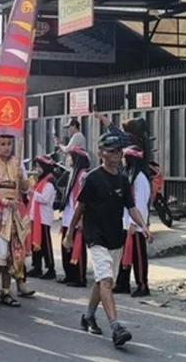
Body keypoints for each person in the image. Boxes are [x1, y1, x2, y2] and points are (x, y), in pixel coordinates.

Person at [64, 133, 151, 347]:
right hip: (95, 237)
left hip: (116, 238)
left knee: (103, 280)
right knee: (106, 281)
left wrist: (143, 226)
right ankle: (116, 327)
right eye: (111, 151)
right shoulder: (92, 178)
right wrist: (69, 234)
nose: (116, 156)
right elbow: (79, 207)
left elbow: (131, 207)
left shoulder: (122, 179)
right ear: (101, 153)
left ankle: (89, 316)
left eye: (119, 152)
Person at [0, 134, 33, 305]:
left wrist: (22, 179)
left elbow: (26, 190)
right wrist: (3, 201)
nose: (6, 147)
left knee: (13, 256)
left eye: (9, 144)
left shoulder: (18, 164)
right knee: (0, 255)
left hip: (15, 215)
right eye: (2, 144)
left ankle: (5, 291)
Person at [114, 146, 152, 297]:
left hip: (136, 226)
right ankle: (122, 283)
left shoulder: (140, 178)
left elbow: (140, 204)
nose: (122, 160)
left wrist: (133, 223)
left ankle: (143, 285)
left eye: (125, 157)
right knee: (124, 255)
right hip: (126, 222)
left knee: (138, 257)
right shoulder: (130, 176)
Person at [59, 146, 91, 287]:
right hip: (68, 215)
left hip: (77, 217)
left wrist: (82, 219)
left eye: (71, 157)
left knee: (78, 248)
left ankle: (80, 277)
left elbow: (84, 200)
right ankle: (69, 274)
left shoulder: (83, 175)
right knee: (66, 247)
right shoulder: (72, 173)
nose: (68, 159)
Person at [28, 155, 58, 280]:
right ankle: (37, 266)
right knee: (36, 243)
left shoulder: (50, 182)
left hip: (44, 218)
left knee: (45, 244)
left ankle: (51, 268)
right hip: (36, 216)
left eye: (40, 166)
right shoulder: (40, 180)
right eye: (37, 166)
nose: (37, 169)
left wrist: (32, 192)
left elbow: (45, 199)